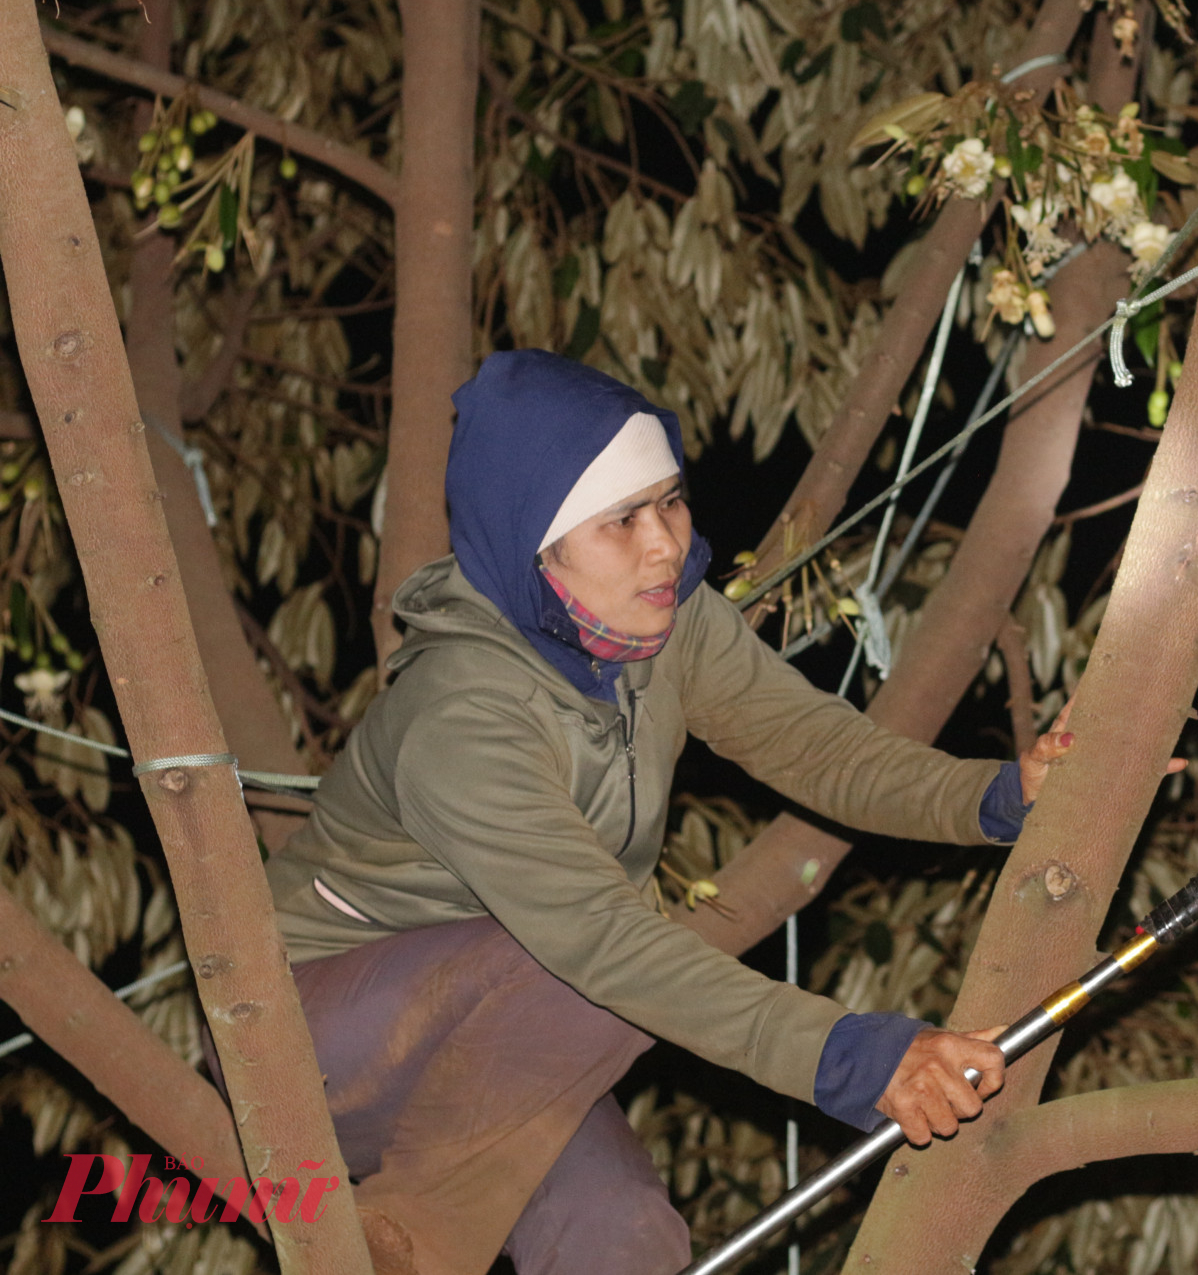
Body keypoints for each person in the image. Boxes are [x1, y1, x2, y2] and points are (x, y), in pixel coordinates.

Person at [233, 351, 1076, 1275]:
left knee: (625, 1233)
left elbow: (818, 748)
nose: (665, 543)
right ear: (535, 547)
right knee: (592, 958)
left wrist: (998, 798)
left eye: (669, 501)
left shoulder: (664, 626)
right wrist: (850, 1057)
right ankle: (404, 1247)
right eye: (621, 520)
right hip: (312, 1036)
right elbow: (600, 943)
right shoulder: (461, 716)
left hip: (507, 1043)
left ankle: (422, 1228)